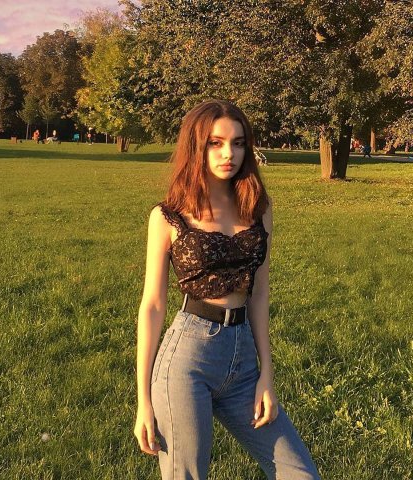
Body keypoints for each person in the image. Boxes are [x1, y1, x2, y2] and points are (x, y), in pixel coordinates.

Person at [134, 100, 320, 480]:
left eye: (238, 143)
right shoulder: (168, 216)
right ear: (196, 147)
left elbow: (260, 294)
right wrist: (143, 401)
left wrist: (267, 373)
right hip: (187, 360)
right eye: (215, 143)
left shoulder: (258, 208)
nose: (228, 154)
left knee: (300, 473)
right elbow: (152, 305)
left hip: (243, 359)